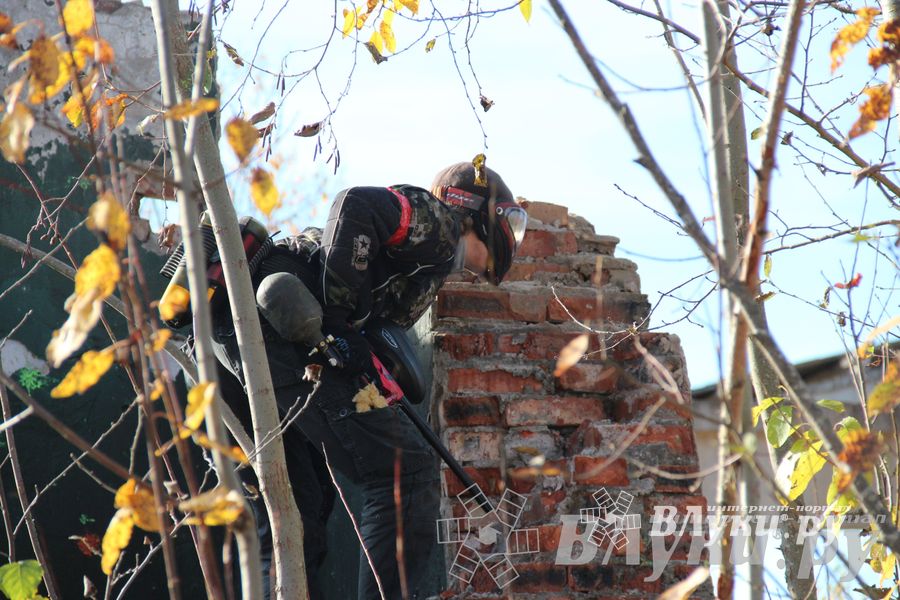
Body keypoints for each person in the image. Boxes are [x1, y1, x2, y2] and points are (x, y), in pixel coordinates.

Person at [209, 161, 527, 599]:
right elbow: (356, 203)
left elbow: (371, 323)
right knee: (406, 473)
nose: (511, 235)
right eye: (511, 219)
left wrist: (356, 340)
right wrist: (338, 322)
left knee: (297, 511)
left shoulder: (424, 265)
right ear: (476, 212)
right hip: (287, 328)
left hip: (241, 339)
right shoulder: (441, 225)